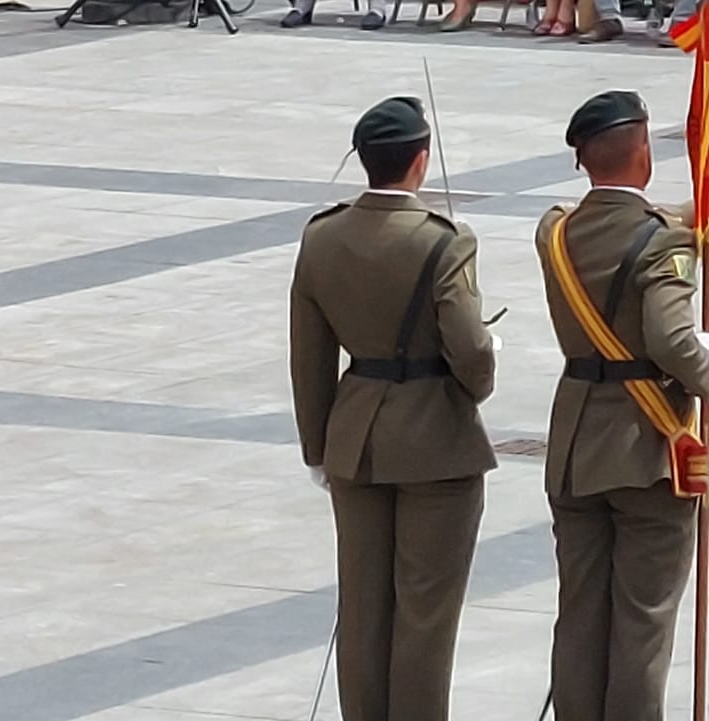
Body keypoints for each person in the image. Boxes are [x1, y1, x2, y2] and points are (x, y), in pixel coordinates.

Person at [289, 96, 499, 721]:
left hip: (355, 438)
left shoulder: (322, 236)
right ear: (420, 161)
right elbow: (471, 355)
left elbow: (309, 356)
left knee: (362, 609)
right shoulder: (445, 241)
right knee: (425, 616)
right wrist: (488, 357)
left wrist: (317, 447)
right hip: (436, 440)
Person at [534, 89, 709, 721]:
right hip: (647, 447)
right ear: (643, 151)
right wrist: (708, 362)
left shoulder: (555, 231)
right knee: (642, 625)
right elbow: (672, 342)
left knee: (581, 617)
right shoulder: (661, 244)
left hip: (574, 443)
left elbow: (607, 227)